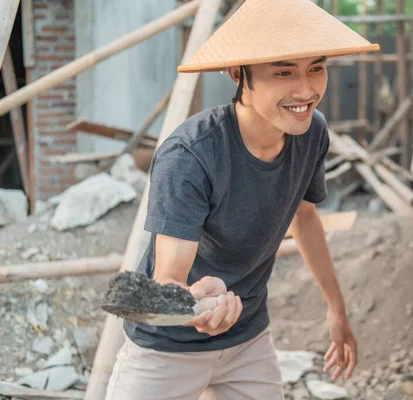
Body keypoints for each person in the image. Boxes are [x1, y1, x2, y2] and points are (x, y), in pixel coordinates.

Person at [105, 0, 379, 398]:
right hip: (167, 349)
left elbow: (304, 220)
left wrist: (336, 308)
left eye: (316, 68)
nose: (306, 90)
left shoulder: (312, 134)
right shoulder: (192, 155)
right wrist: (193, 309)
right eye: (284, 71)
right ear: (238, 74)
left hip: (248, 339)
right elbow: (169, 277)